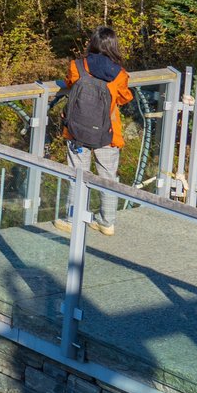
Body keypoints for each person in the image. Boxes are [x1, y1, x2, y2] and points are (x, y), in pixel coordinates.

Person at [59, 25, 133, 236]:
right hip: (107, 132)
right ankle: (106, 222)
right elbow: (124, 97)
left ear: (92, 43)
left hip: (77, 131)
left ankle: (72, 218)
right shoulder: (119, 74)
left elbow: (69, 83)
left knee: (78, 174)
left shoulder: (77, 66)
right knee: (108, 177)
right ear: (114, 46)